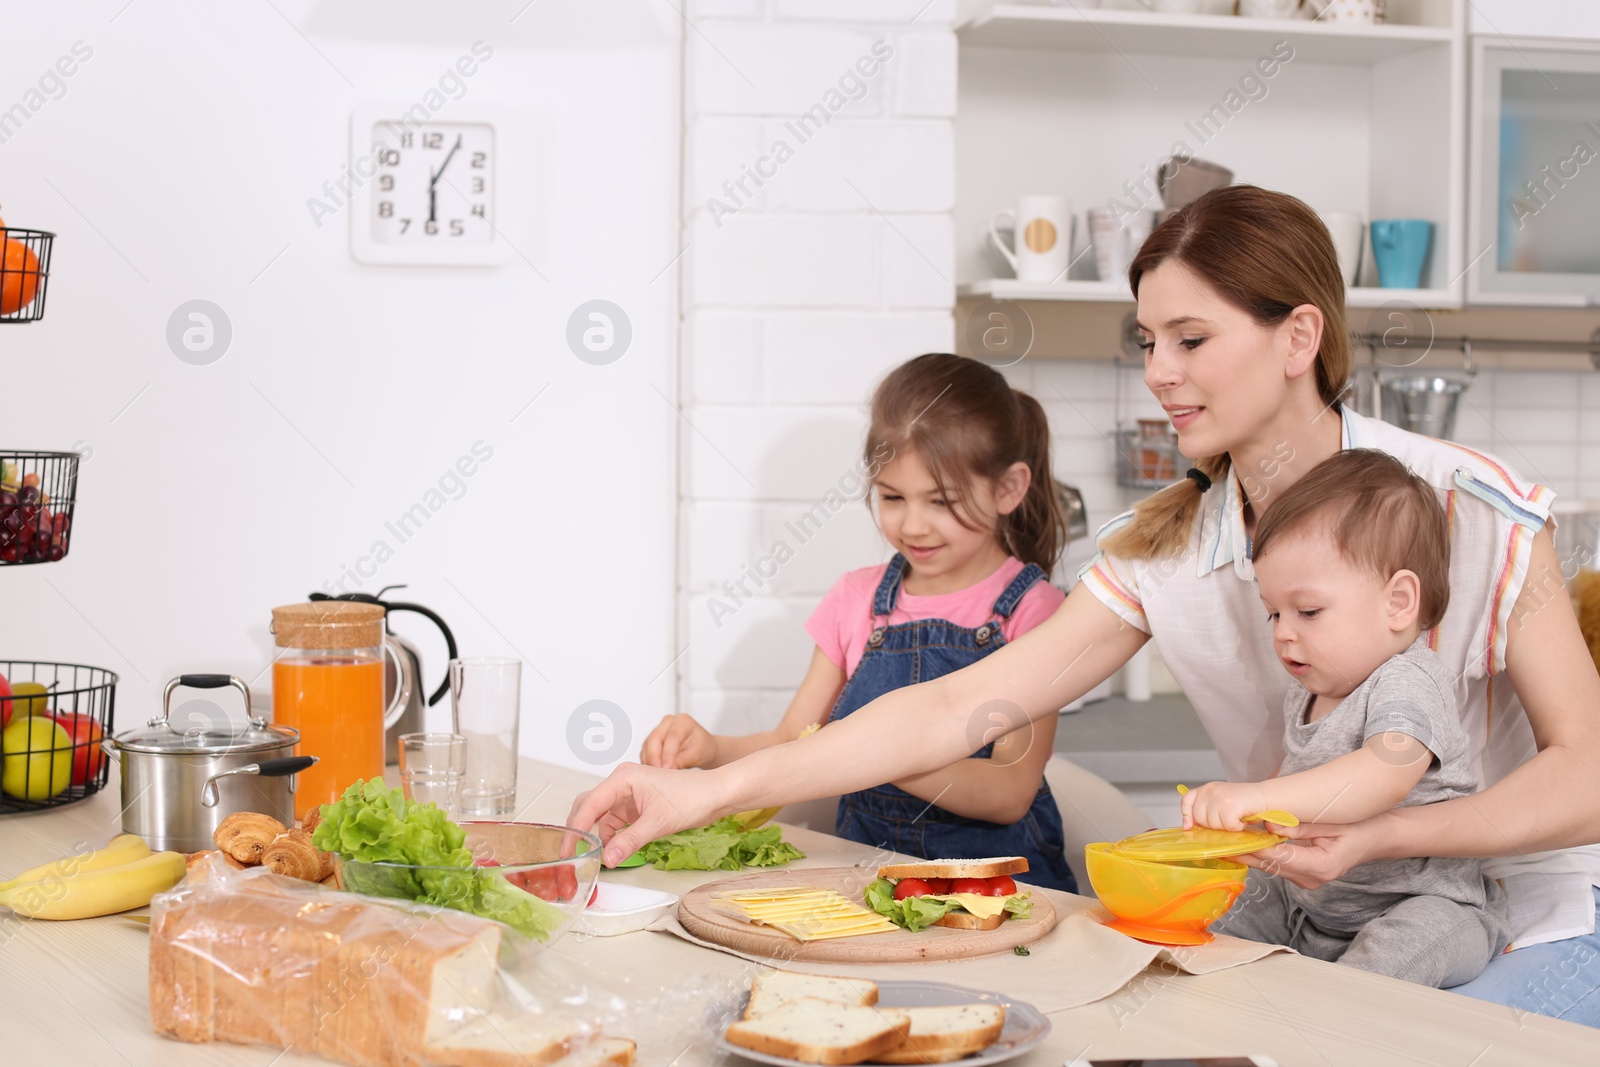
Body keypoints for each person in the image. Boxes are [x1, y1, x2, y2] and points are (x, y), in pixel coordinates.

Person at [570, 186, 1600, 1024]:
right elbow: (949, 709)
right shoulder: (1165, 542)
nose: (1157, 372)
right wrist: (708, 789)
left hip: (1530, 917)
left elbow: (1589, 775)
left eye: (1189, 339)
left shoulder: (1472, 506)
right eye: (1146, 340)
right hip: (1317, 913)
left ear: (1297, 336)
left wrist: (1382, 840)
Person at [640, 353, 1077, 892]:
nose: (912, 524)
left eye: (942, 501)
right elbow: (792, 738)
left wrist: (873, 752)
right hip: (871, 884)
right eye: (892, 497)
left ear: (1008, 489)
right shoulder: (858, 599)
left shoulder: (1035, 611)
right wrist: (711, 751)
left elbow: (1010, 793)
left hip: (999, 892)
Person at [1184, 448, 1509, 987]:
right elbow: (1305, 797)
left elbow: (1383, 771)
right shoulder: (1308, 691)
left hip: (1426, 907)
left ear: (1399, 602)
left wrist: (1258, 797)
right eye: (1274, 612)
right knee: (1204, 917)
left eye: (1308, 611)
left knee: (1380, 964)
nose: (1284, 632)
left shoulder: (1408, 679)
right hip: (1313, 910)